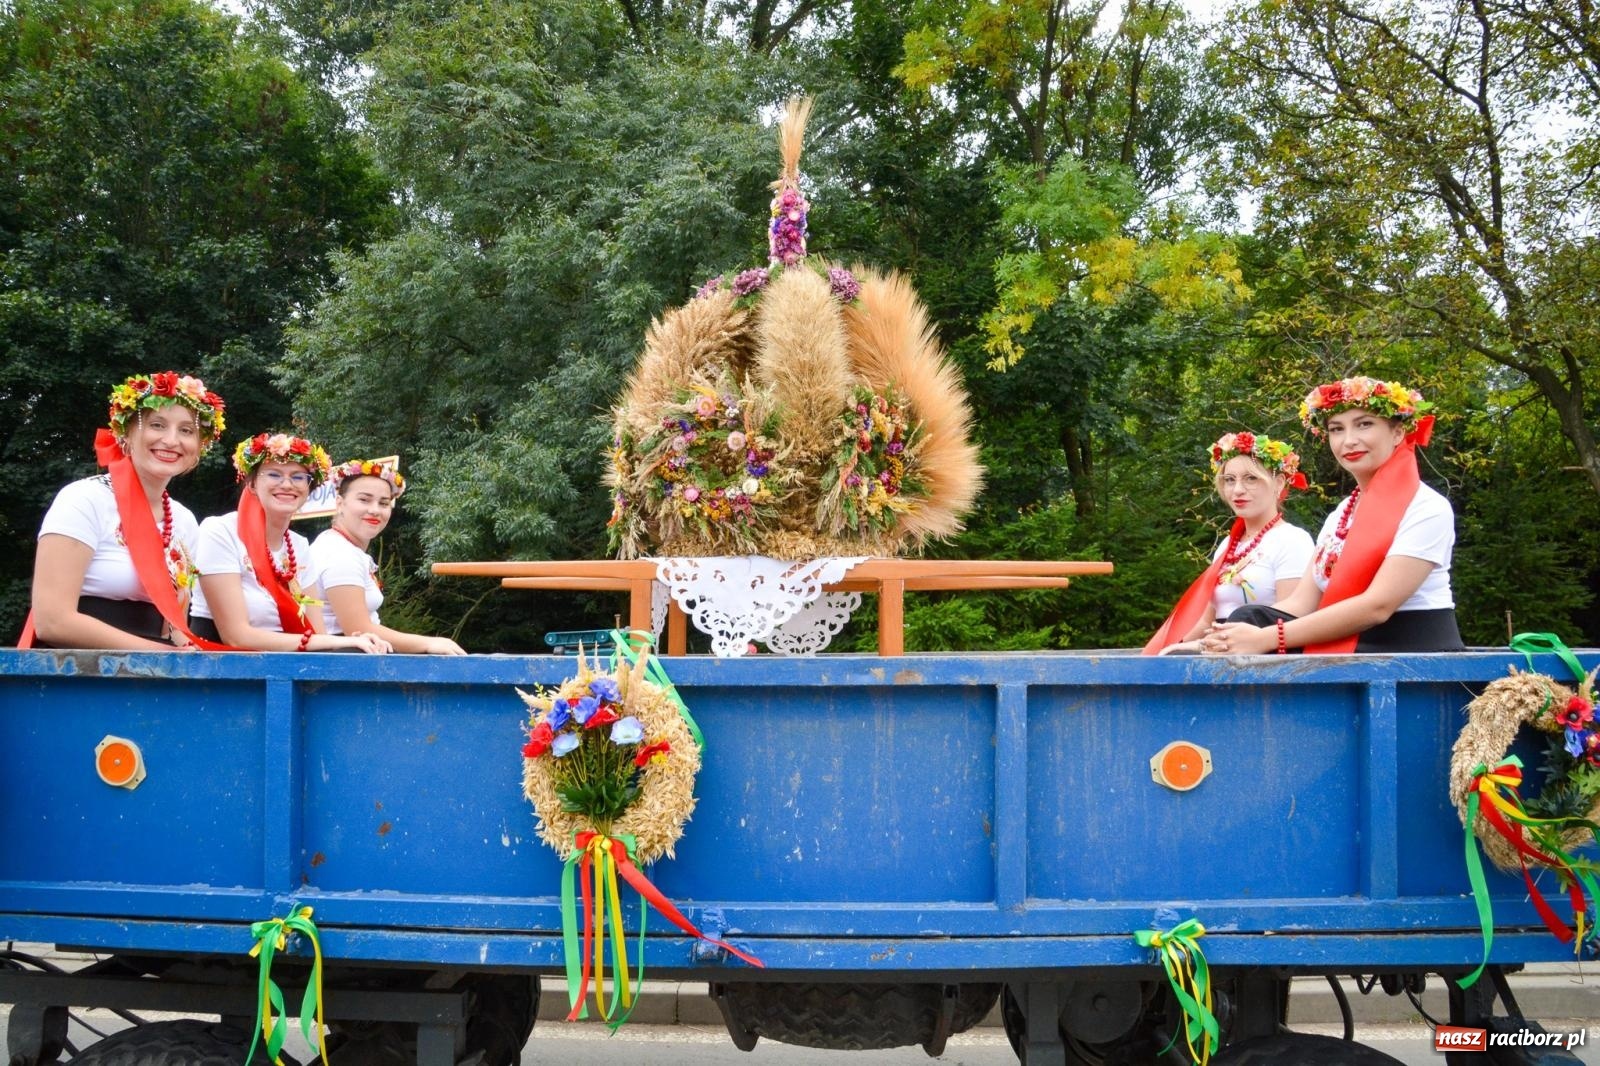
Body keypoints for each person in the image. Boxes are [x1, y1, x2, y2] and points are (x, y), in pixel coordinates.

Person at [1203, 376, 1464, 654]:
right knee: (1248, 618)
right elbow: (1301, 604)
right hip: (1352, 638)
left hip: (1406, 648)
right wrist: (1229, 633)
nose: (1349, 441)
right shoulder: (1340, 514)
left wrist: (1269, 638)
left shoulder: (1425, 506)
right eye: (1337, 429)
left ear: (1398, 432)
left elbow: (1377, 606)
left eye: (1364, 424)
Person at [26, 372, 226, 650]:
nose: (171, 440)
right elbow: (52, 621)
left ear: (200, 446)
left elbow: (174, 626)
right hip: (76, 672)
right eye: (157, 425)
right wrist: (159, 653)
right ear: (125, 434)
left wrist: (189, 651)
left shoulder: (184, 520)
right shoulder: (84, 499)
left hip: (153, 675)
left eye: (186, 430)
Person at [190, 432, 387, 653]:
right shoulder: (221, 531)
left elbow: (316, 632)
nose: (287, 484)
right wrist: (341, 641)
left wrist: (356, 641)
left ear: (309, 489)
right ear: (252, 484)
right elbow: (236, 637)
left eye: (298, 477)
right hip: (222, 670)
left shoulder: (299, 545)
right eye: (274, 474)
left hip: (284, 670)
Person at [1146, 431, 1314, 654]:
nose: (1238, 490)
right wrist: (1172, 648)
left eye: (1251, 478)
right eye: (1229, 480)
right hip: (1218, 649)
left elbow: (1291, 614)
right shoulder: (1228, 545)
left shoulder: (1292, 540)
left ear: (1279, 483)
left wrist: (1215, 641)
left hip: (1264, 654)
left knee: (1247, 615)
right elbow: (1207, 621)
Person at [310, 458, 466, 655]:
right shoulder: (338, 554)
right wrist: (429, 643)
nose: (375, 510)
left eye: (383, 503)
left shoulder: (342, 547)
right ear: (340, 503)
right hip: (344, 661)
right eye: (364, 500)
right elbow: (357, 630)